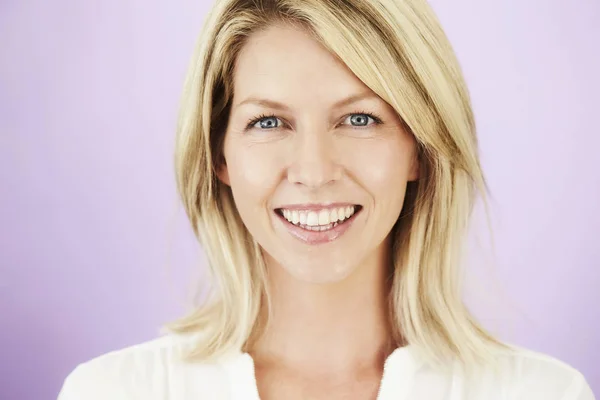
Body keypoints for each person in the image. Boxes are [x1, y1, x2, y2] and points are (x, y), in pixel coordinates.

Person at [58, 0, 595, 399]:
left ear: (421, 150)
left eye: (359, 119)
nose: (313, 172)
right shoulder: (111, 391)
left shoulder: (544, 392)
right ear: (219, 155)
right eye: (268, 121)